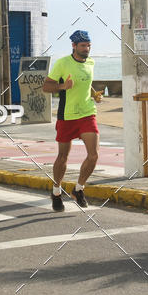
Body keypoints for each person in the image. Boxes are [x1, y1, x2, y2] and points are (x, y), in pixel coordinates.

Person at [42, 30, 103, 211]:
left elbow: (86, 82)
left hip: (87, 113)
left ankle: (78, 189)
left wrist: (95, 95)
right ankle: (56, 191)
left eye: (89, 45)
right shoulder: (63, 63)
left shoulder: (91, 62)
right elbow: (46, 86)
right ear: (74, 46)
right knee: (63, 157)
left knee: (93, 155)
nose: (87, 49)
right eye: (83, 46)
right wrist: (63, 86)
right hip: (67, 116)